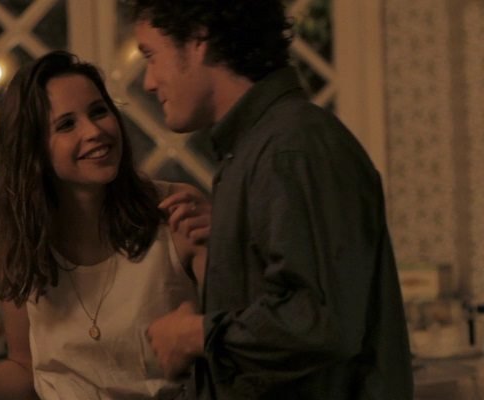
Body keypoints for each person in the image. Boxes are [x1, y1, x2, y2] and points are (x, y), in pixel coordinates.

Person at [127, 1, 414, 399]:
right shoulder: (259, 148)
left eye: (151, 56)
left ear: (197, 40)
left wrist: (195, 334)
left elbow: (321, 320)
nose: (148, 82)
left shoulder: (291, 148)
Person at [0, 50, 209, 399]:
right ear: (33, 150)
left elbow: (235, 340)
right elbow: (25, 367)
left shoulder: (176, 210)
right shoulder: (15, 238)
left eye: (99, 111)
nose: (95, 131)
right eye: (66, 125)